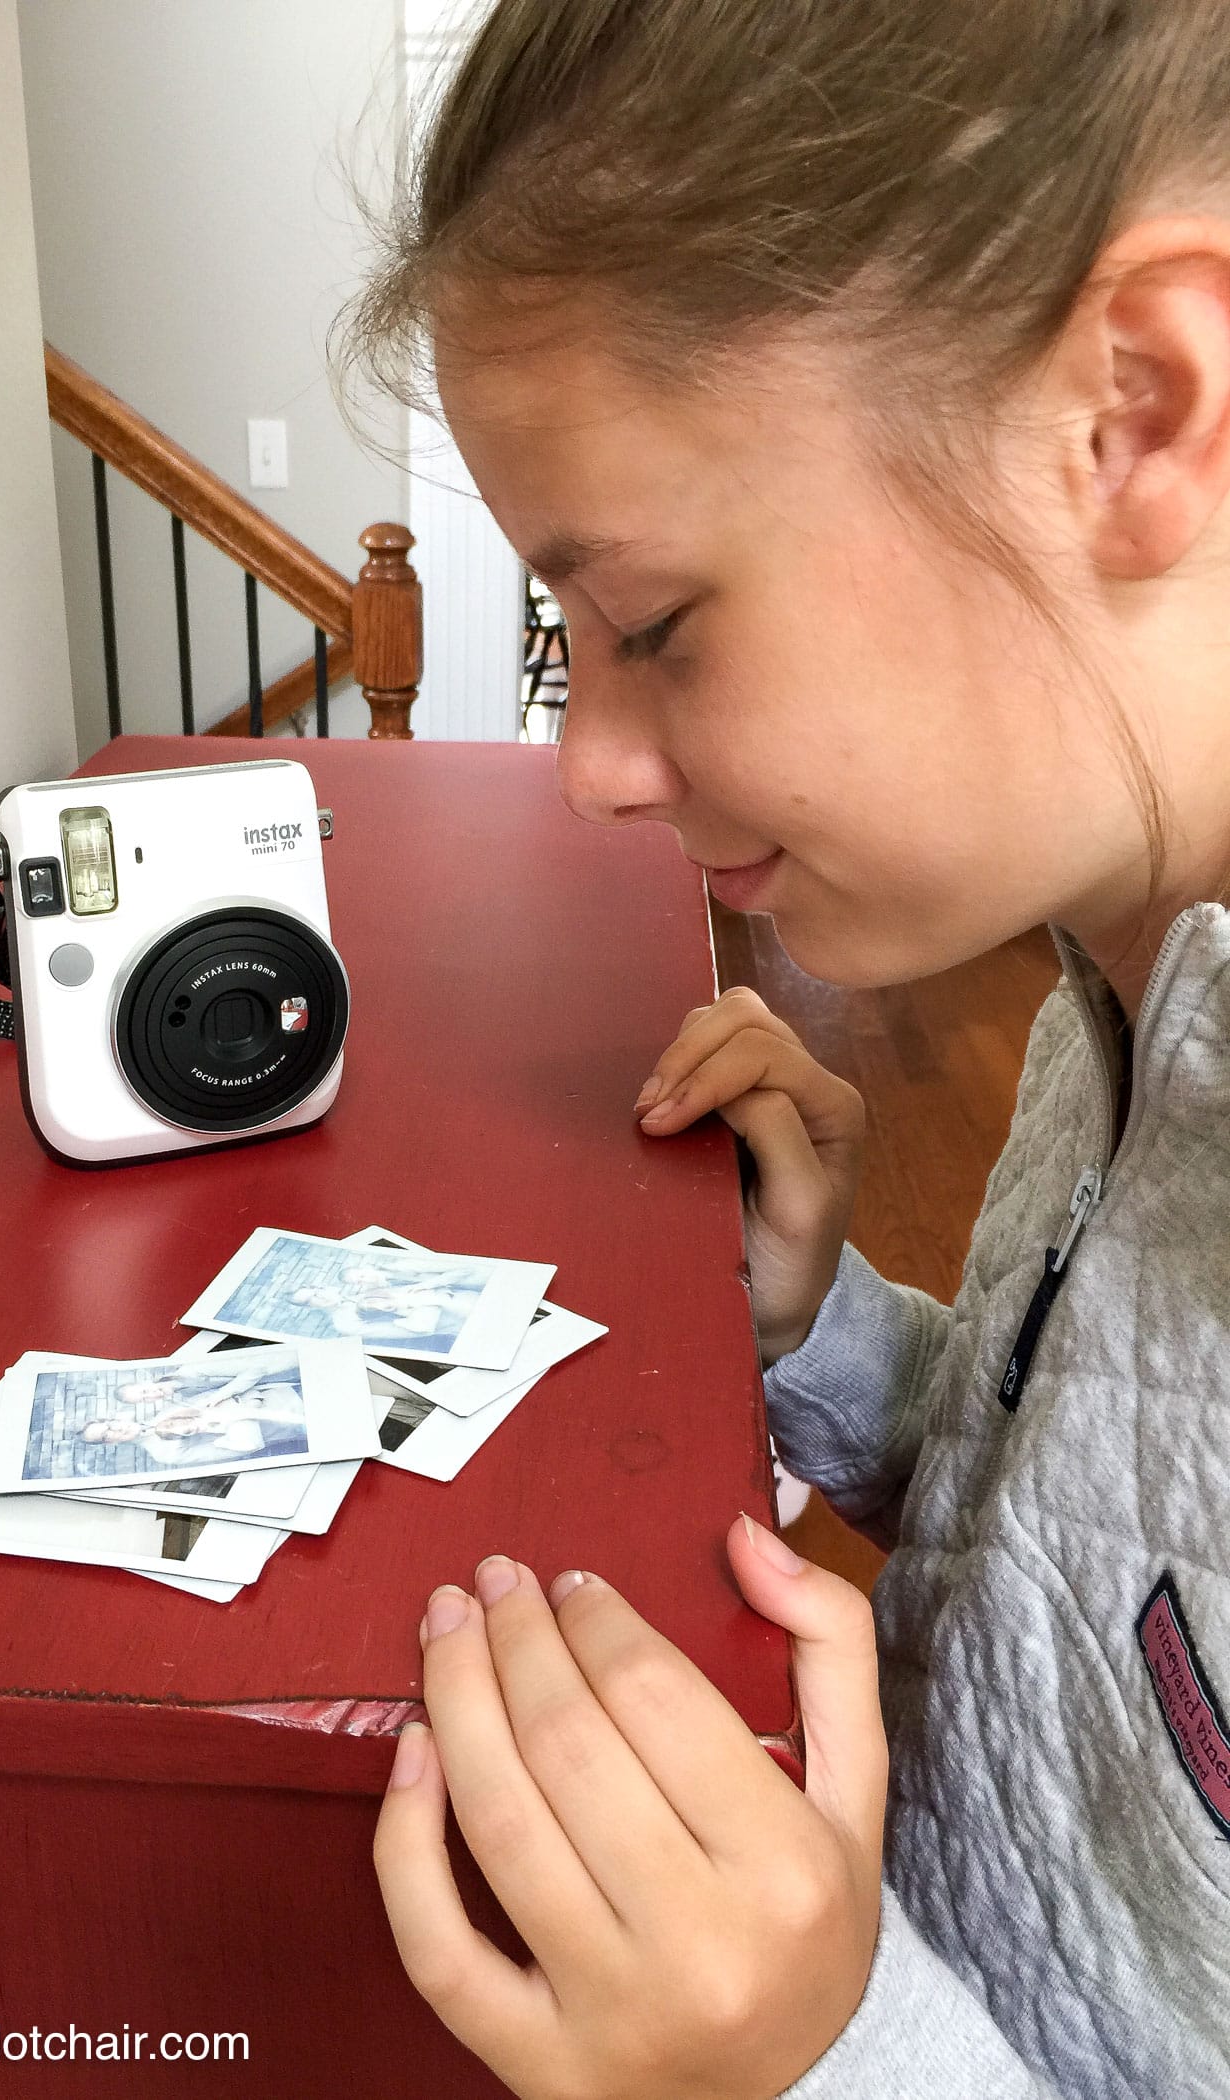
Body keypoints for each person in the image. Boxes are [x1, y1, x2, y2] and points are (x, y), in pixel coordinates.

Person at [344, 4, 1230, 2096]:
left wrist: (823, 2063)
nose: (589, 772)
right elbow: (1093, 1530)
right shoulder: (1128, 977)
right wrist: (830, 1328)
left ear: (1133, 410)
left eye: (649, 624)